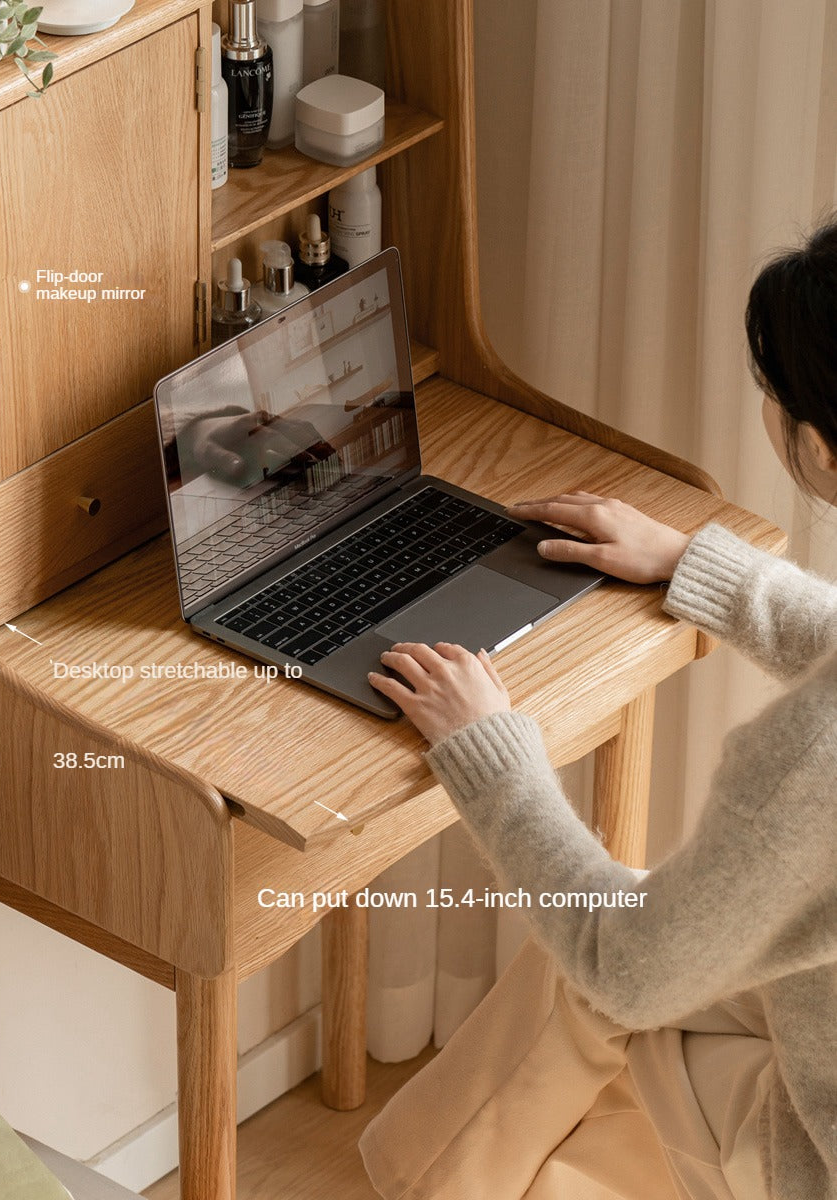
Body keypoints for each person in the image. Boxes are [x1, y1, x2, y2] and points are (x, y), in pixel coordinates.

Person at [359, 220, 837, 1200]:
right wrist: (697, 564)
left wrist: (494, 759)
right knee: (595, 970)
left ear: (820, 449)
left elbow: (627, 966)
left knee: (586, 968)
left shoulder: (810, 760)